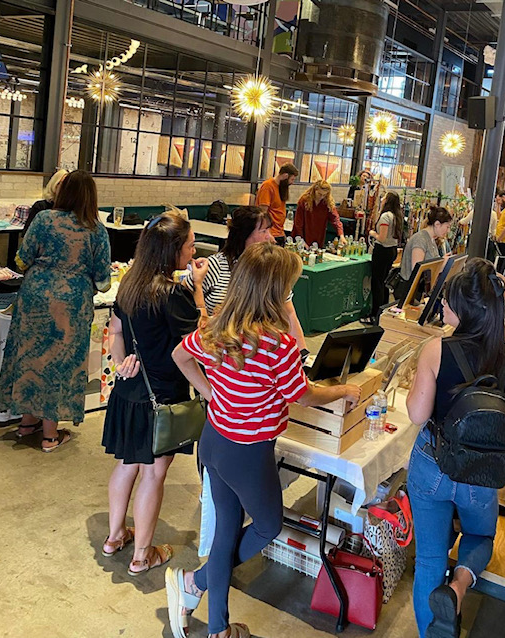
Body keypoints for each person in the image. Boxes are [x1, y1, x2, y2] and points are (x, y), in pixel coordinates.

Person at [165, 243, 361, 638]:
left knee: (226, 530)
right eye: (288, 287)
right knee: (268, 525)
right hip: (248, 452)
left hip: (215, 441)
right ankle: (198, 582)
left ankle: (213, 621)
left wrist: (211, 393)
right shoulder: (277, 344)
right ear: (276, 291)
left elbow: (179, 357)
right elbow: (301, 394)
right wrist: (342, 392)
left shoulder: (219, 326)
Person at [406, 258, 505, 638]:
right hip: (483, 475)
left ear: (460, 308)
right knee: (480, 538)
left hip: (433, 466)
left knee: (429, 559)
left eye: (446, 301)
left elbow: (416, 414)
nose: (442, 306)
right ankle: (459, 586)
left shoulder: (435, 350)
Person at [101, 212, 205, 575]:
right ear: (172, 250)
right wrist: (198, 292)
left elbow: (114, 329)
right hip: (162, 398)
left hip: (129, 392)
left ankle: (115, 536)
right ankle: (142, 555)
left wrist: (121, 363)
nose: (193, 254)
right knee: (153, 474)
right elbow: (197, 343)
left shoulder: (129, 283)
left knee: (127, 464)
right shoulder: (174, 294)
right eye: (190, 246)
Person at [0, 170, 110, 451]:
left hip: (35, 296)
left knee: (31, 355)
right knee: (61, 365)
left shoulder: (44, 219)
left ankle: (25, 424)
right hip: (71, 304)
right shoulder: (96, 229)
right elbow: (104, 281)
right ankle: (49, 436)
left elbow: (21, 260)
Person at [193, 205, 307, 352]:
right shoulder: (214, 266)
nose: (270, 237)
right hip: (217, 352)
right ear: (244, 235)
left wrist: (302, 352)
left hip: (253, 353)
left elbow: (289, 313)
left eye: (269, 230)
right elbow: (186, 306)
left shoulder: (269, 269)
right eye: (264, 231)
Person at [399, 206, 452, 296]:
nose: (448, 230)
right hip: (410, 292)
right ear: (437, 224)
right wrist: (441, 264)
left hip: (418, 291)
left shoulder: (432, 240)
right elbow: (417, 270)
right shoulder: (420, 239)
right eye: (447, 227)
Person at [367, 192, 403, 318]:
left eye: (384, 198)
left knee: (377, 283)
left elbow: (382, 238)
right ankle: (383, 309)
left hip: (382, 250)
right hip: (392, 250)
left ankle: (375, 313)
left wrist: (372, 233)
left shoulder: (385, 217)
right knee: (384, 282)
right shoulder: (396, 216)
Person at [291, 180, 345, 248]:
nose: (321, 197)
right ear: (315, 190)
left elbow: (336, 220)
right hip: (302, 236)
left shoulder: (327, 203)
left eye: (324, 195)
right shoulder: (304, 201)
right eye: (319, 194)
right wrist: (302, 241)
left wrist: (341, 235)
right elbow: (298, 223)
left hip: (318, 238)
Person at [255, 163, 299, 246]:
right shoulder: (268, 186)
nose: (292, 182)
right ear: (285, 176)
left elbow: (279, 211)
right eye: (292, 179)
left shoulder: (281, 188)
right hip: (271, 234)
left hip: (279, 233)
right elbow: (262, 213)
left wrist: (282, 233)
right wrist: (268, 234)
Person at [23, 169, 68, 236]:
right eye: (63, 183)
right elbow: (27, 234)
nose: (67, 187)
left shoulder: (71, 208)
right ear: (55, 185)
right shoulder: (41, 207)